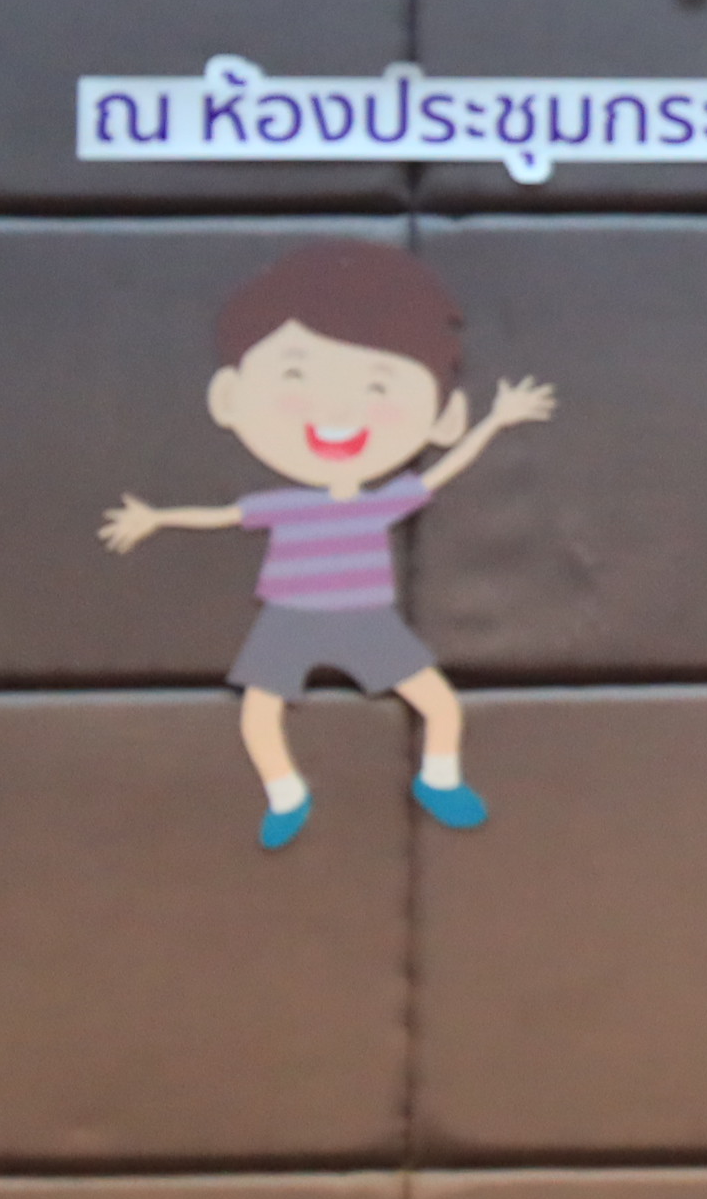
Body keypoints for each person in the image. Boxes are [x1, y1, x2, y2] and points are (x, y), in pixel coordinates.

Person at [99, 242, 555, 851]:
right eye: (297, 376)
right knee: (259, 714)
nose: (337, 410)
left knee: (440, 704)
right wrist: (157, 518)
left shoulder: (378, 503)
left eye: (377, 386)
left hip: (365, 618)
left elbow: (444, 472)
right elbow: (223, 516)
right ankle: (286, 795)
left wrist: (495, 422)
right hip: (290, 618)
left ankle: (440, 779)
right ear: (229, 398)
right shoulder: (286, 506)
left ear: (442, 417)